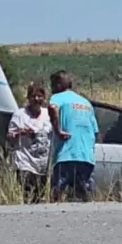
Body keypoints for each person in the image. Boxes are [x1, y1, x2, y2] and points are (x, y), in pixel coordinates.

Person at [47, 70, 99, 202]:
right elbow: (95, 131)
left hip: (66, 155)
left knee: (57, 192)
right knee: (83, 194)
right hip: (86, 157)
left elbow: (53, 108)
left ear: (58, 85)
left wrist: (58, 130)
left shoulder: (58, 97)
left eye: (52, 85)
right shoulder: (86, 103)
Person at [7, 84, 53, 204]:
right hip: (24, 160)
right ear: (28, 98)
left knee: (40, 195)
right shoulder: (19, 114)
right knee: (27, 191)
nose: (36, 99)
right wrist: (19, 133)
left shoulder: (48, 114)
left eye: (39, 96)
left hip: (42, 162)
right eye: (33, 96)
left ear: (44, 97)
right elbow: (9, 137)